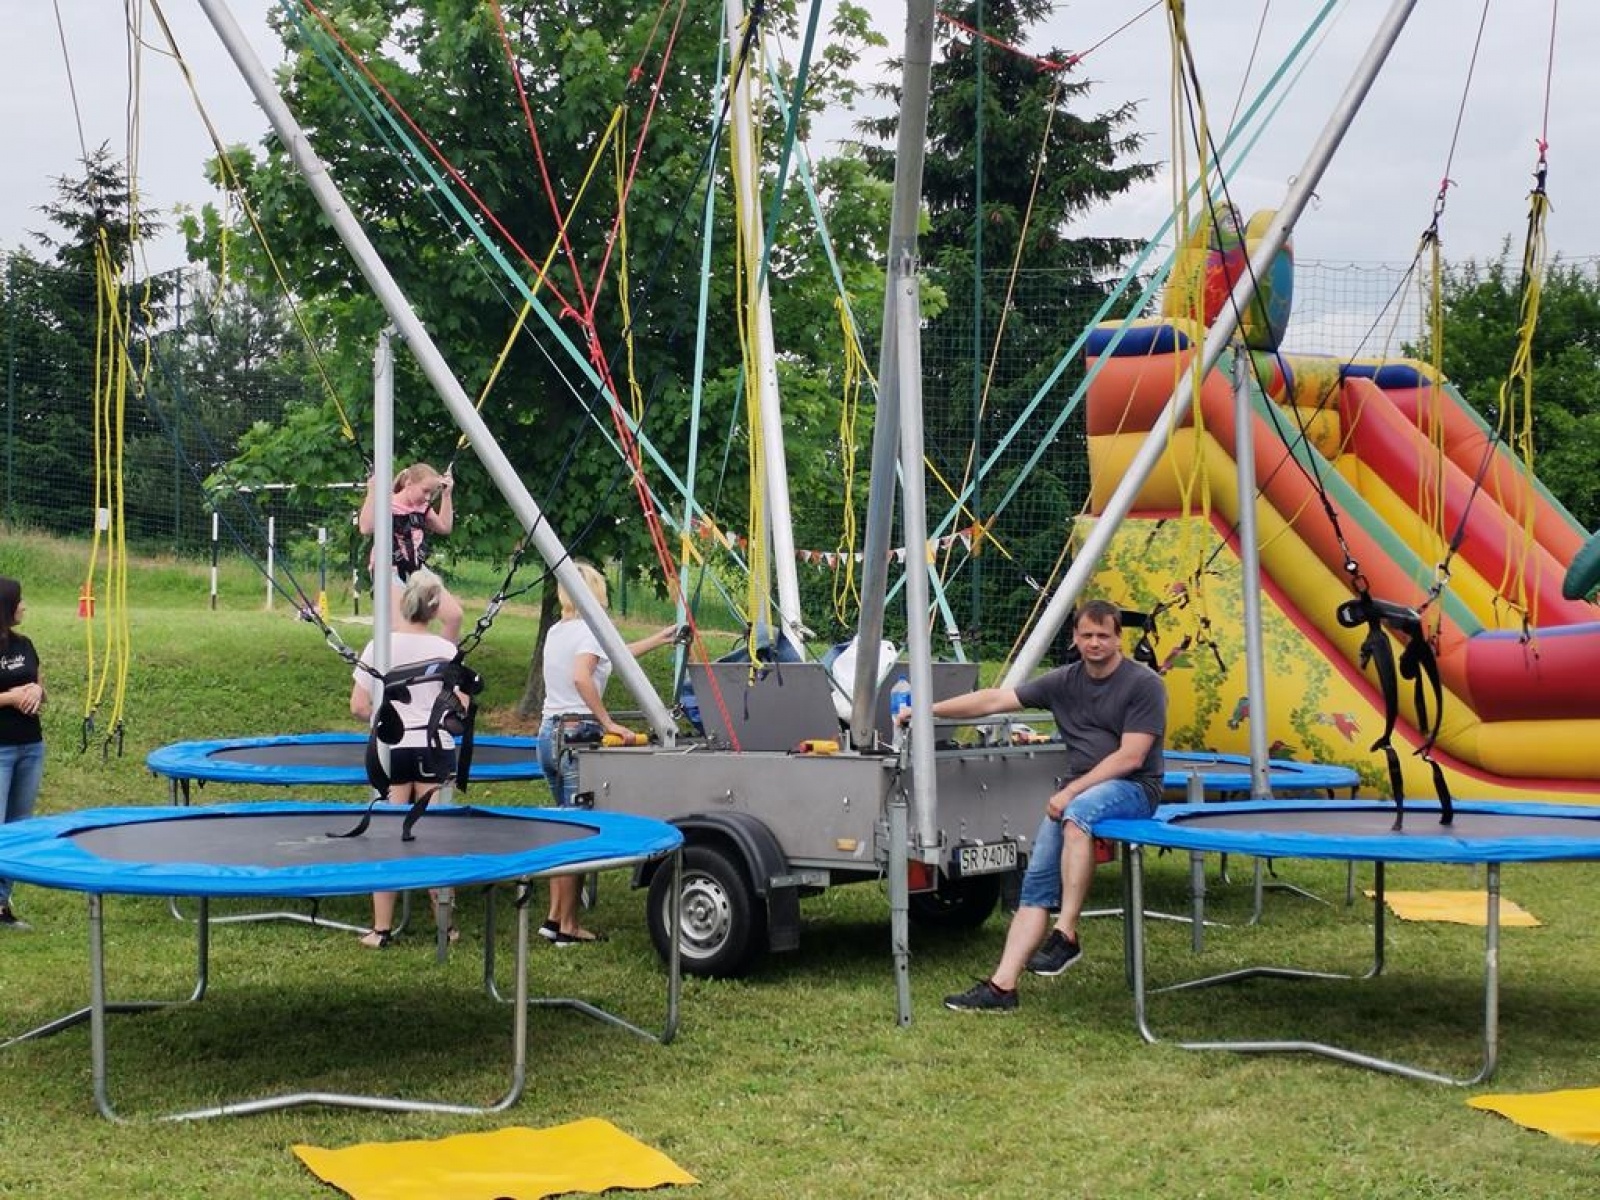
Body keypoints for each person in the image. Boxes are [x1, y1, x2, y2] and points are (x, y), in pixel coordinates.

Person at [908, 598, 1166, 1013]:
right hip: (1077, 796)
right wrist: (925, 711)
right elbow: (993, 700)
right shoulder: (1063, 681)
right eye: (1087, 636)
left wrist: (1069, 793)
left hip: (1134, 789)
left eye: (1104, 635)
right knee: (1034, 888)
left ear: (1119, 638)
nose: (1096, 643)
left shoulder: (1144, 684)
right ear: (1075, 639)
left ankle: (1066, 934)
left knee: (1076, 814)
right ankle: (1002, 987)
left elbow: (1131, 758)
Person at [538, 562, 678, 946]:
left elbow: (612, 656)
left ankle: (554, 919)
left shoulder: (559, 629)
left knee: (564, 828)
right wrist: (609, 723)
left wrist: (660, 639)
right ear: (593, 593)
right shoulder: (589, 630)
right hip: (578, 733)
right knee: (579, 835)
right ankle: (567, 925)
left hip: (548, 733)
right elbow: (583, 676)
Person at [349, 568, 464, 948]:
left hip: (392, 751)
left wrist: (387, 719)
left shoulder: (379, 648)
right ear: (433, 612)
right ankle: (445, 927)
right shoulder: (446, 651)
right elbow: (460, 707)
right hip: (434, 748)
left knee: (386, 835)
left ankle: (381, 929)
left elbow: (358, 705)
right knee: (434, 837)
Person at [359, 462, 465, 642]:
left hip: (416, 569)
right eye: (425, 491)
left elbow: (445, 527)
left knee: (454, 616)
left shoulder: (423, 509)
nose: (428, 497)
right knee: (400, 628)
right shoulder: (386, 503)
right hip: (388, 569)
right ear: (408, 484)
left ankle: (446, 664)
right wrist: (372, 491)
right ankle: (396, 665)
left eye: (431, 493)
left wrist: (447, 496)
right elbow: (366, 527)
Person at [0, 577, 45, 932]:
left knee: (17, 830)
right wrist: (10, 698)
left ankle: (1, 905)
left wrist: (35, 691)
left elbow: (42, 688)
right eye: (20, 601)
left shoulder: (26, 644)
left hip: (31, 747)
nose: (25, 606)